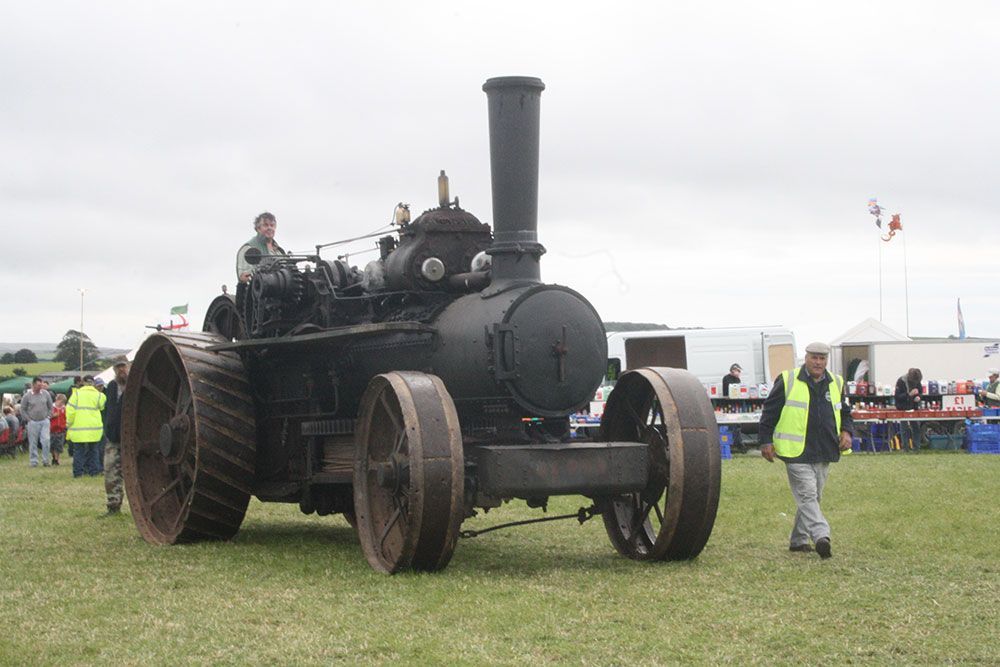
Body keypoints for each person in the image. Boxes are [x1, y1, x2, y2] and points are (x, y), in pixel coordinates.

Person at [758, 342, 853, 559]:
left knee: (812, 496)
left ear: (826, 360)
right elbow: (769, 412)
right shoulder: (788, 380)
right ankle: (821, 536)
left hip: (825, 448)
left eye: (822, 358)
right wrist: (765, 441)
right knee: (808, 494)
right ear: (806, 358)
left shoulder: (836, 382)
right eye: (814, 358)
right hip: (796, 452)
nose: (818, 362)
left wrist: (847, 431)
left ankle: (799, 541)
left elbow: (845, 412)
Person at [102, 360, 129, 516]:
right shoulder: (111, 386)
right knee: (110, 471)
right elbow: (108, 410)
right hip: (113, 436)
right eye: (118, 367)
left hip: (131, 438)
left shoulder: (135, 385)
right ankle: (113, 506)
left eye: (123, 366)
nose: (121, 370)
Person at [67, 375, 106, 477]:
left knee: (79, 451)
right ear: (93, 383)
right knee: (94, 451)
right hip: (94, 428)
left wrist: (69, 423)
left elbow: (70, 410)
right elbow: (102, 407)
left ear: (83, 382)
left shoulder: (76, 394)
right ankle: (94, 471)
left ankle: (78, 473)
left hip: (78, 428)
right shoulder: (99, 395)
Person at [236, 211, 286, 284]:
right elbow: (243, 277)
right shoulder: (248, 249)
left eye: (272, 225)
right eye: (266, 225)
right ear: (258, 228)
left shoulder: (279, 251)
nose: (269, 228)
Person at [20, 376, 54, 467]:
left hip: (44, 421)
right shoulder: (27, 396)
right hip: (33, 422)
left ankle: (46, 460)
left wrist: (48, 416)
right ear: (33, 385)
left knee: (46, 440)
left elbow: (51, 407)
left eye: (41, 385)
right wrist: (28, 419)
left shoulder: (46, 394)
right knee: (33, 442)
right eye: (39, 385)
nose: (40, 387)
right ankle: (33, 461)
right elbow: (22, 409)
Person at [894, 368, 923, 451]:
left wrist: (919, 397)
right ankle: (905, 447)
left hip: (913, 408)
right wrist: (909, 395)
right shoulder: (901, 381)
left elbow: (920, 392)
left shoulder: (917, 380)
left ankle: (916, 447)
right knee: (904, 428)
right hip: (902, 407)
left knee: (916, 427)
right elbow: (897, 397)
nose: (915, 383)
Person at [49, 394, 68, 466]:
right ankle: (53, 456)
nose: (62, 404)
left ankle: (56, 459)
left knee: (59, 445)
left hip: (61, 430)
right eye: (61, 402)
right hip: (52, 429)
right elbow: (47, 416)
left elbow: (66, 417)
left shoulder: (64, 408)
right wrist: (53, 416)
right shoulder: (52, 407)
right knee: (52, 445)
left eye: (63, 403)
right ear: (57, 400)